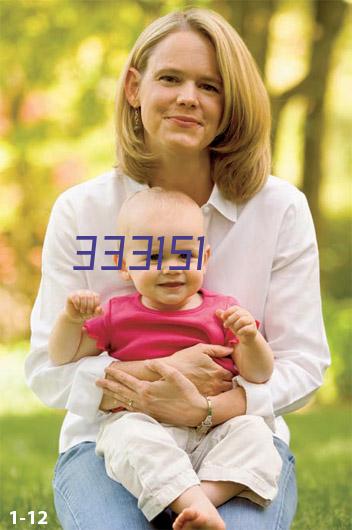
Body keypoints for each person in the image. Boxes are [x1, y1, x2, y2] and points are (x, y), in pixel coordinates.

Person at [25, 7, 330, 530]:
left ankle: (205, 499)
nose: (189, 96)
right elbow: (48, 372)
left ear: (229, 104)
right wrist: (148, 380)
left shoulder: (278, 209)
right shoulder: (83, 211)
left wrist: (210, 410)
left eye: (210, 86)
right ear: (134, 87)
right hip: (110, 442)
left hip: (235, 441)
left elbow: (303, 364)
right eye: (171, 78)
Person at [48, 188, 283, 530]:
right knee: (125, 436)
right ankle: (190, 501)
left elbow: (260, 374)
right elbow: (62, 354)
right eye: (154, 258)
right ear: (125, 266)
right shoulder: (117, 313)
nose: (171, 269)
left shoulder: (224, 311)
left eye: (184, 256)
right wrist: (70, 319)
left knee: (254, 433)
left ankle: (201, 498)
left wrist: (249, 339)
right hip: (145, 426)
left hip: (212, 431)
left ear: (204, 258)